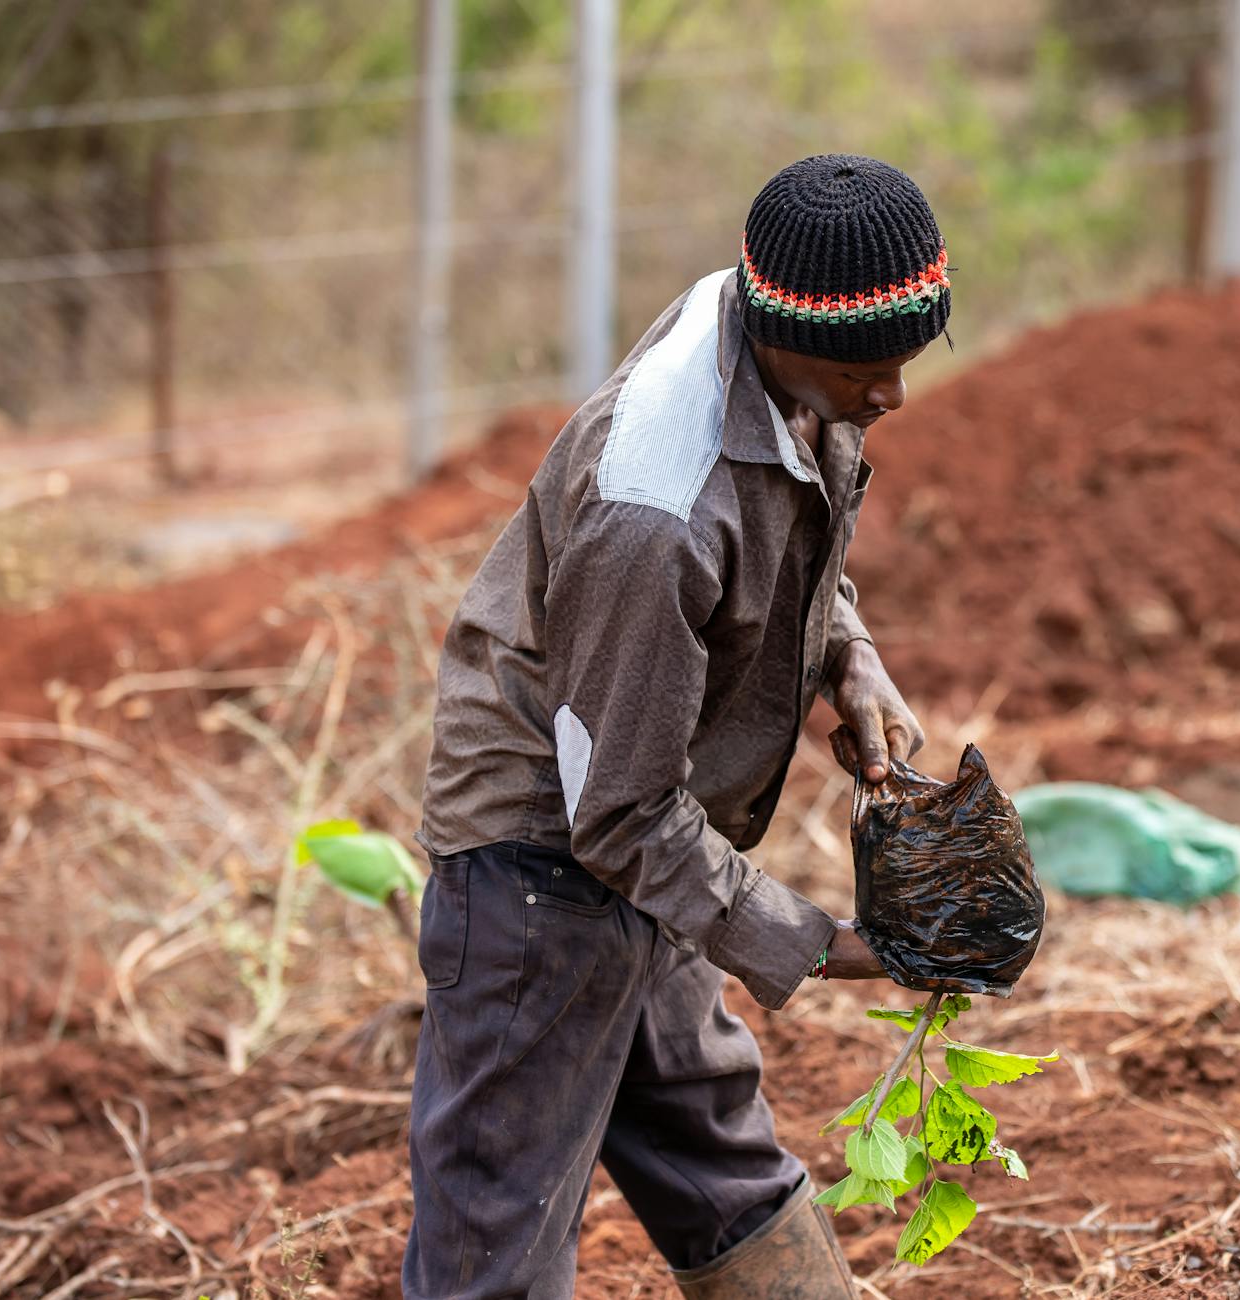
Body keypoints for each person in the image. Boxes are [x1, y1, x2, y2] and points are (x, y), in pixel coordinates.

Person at [404, 154, 950, 1299]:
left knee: (713, 1154)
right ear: (781, 333)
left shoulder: (768, 337)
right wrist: (826, 944)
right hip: (540, 863)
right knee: (494, 1234)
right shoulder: (652, 509)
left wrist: (849, 660)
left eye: (907, 357)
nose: (891, 394)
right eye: (868, 369)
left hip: (642, 821)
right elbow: (619, 815)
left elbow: (784, 530)